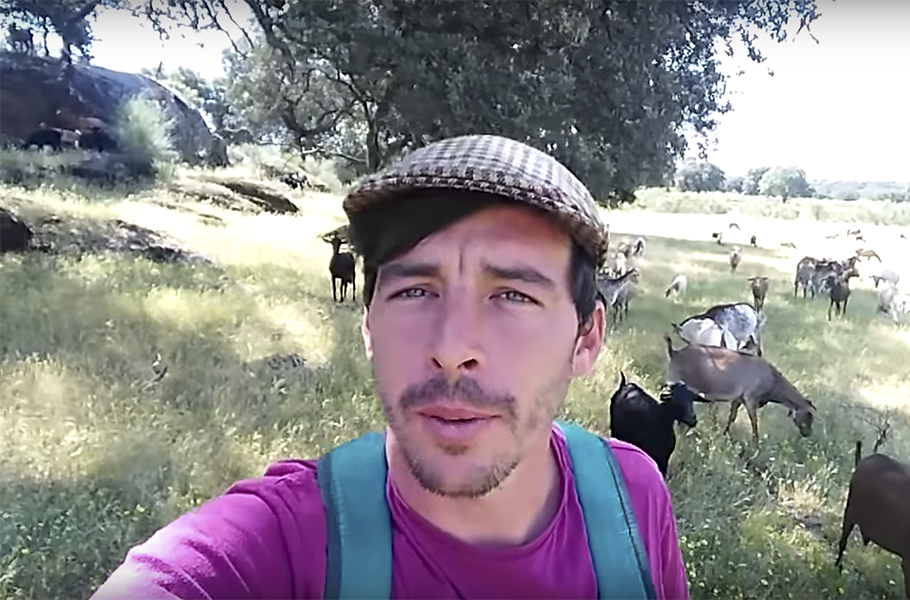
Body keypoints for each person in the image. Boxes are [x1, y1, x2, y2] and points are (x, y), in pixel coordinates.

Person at [91, 134, 690, 600]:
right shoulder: (283, 542)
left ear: (586, 339)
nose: (452, 348)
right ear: (368, 324)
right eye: (413, 292)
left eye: (513, 295)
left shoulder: (633, 498)